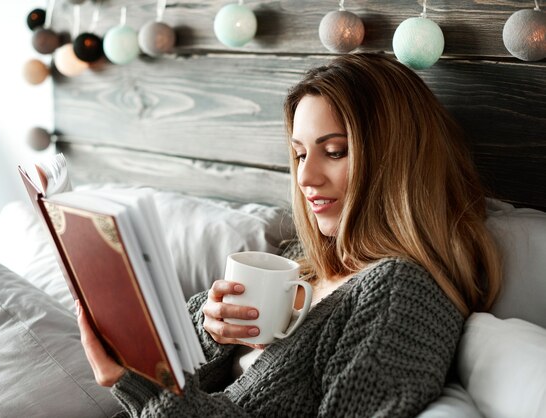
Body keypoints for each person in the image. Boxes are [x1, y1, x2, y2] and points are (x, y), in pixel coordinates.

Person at [76, 53, 502, 417]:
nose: (305, 176)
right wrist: (213, 332)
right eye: (299, 154)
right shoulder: (307, 267)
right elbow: (200, 375)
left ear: (397, 161)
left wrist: (139, 385)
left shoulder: (401, 296)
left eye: (334, 152)